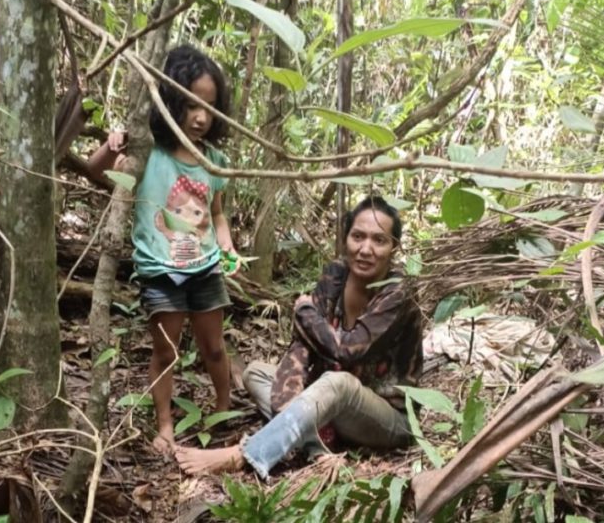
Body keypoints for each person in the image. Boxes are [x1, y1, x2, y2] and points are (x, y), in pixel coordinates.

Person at [175, 196, 423, 477]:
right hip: (330, 404)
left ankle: (247, 453)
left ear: (394, 248)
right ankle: (314, 447)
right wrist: (292, 404)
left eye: (379, 240)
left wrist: (304, 310)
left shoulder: (398, 291)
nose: (366, 249)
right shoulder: (336, 275)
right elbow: (303, 346)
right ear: (345, 239)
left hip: (385, 417)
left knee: (338, 383)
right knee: (257, 373)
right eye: (358, 236)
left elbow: (347, 350)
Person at [90, 45, 237, 453]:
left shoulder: (213, 161)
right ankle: (165, 425)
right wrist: (113, 145)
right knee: (166, 351)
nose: (201, 117)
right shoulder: (147, 153)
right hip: (160, 269)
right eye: (190, 104)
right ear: (169, 99)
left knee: (213, 346)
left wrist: (225, 243)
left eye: (209, 107)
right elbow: (96, 173)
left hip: (205, 268)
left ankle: (224, 408)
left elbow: (218, 213)